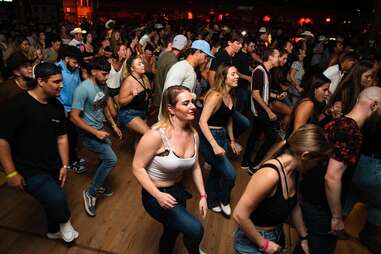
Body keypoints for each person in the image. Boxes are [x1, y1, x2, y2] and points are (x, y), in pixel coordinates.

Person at [0, 63, 79, 242]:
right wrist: (11, 172)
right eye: (56, 82)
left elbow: (62, 138)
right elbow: (2, 141)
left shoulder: (56, 106)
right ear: (41, 81)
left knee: (49, 199)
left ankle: (53, 231)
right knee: (57, 199)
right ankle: (65, 223)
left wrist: (65, 164)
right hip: (28, 169)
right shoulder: (18, 105)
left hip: (53, 164)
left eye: (62, 81)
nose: (62, 85)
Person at [300, 86, 381, 254]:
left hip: (310, 194)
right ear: (373, 106)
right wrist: (337, 217)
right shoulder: (352, 133)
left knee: (307, 246)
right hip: (320, 204)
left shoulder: (340, 122)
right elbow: (332, 177)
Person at [233, 124, 331, 254]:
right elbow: (239, 215)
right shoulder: (269, 175)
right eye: (318, 161)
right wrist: (264, 244)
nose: (317, 166)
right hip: (252, 241)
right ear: (305, 156)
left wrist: (303, 237)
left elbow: (294, 205)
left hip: (275, 234)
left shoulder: (295, 173)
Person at [133, 85, 207, 254]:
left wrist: (203, 195)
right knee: (196, 230)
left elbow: (195, 166)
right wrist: (158, 195)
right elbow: (137, 167)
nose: (193, 106)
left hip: (179, 190)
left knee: (172, 231)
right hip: (156, 194)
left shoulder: (194, 134)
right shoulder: (156, 135)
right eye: (186, 103)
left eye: (193, 102)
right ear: (171, 109)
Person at [70, 57, 122, 217]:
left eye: (108, 74)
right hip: (88, 133)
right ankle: (90, 192)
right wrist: (95, 132)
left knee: (104, 158)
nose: (107, 77)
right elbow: (74, 117)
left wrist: (114, 126)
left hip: (100, 128)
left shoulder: (103, 86)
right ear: (93, 72)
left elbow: (103, 107)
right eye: (104, 74)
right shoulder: (83, 89)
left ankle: (98, 184)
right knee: (111, 159)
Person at [199, 64, 240, 216]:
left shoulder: (231, 96)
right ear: (224, 77)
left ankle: (212, 201)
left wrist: (232, 140)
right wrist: (215, 145)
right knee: (231, 175)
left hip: (222, 136)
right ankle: (224, 200)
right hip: (211, 139)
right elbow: (202, 121)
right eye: (233, 74)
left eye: (236, 74)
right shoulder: (215, 96)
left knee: (217, 171)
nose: (237, 76)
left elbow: (228, 119)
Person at [241, 48, 280, 172]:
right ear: (270, 57)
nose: (279, 59)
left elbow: (263, 92)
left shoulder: (266, 71)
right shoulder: (259, 71)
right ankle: (255, 165)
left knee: (254, 136)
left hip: (261, 110)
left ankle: (245, 162)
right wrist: (269, 111)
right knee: (272, 137)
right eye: (277, 56)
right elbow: (255, 94)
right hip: (260, 111)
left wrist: (277, 96)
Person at [159, 40, 213, 119]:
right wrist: (193, 96)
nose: (206, 60)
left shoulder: (190, 69)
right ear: (197, 52)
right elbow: (169, 93)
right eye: (206, 56)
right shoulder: (181, 67)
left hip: (178, 119)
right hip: (171, 121)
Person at [56, 45, 86, 174]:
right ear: (66, 58)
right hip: (63, 110)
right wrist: (63, 108)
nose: (76, 66)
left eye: (78, 63)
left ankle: (74, 158)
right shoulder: (57, 70)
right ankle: (71, 162)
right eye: (74, 62)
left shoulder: (75, 69)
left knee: (74, 136)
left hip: (74, 108)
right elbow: (54, 93)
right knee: (67, 136)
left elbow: (78, 86)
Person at [119, 55, 152, 136]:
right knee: (149, 134)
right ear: (132, 68)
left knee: (140, 137)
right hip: (130, 113)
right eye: (139, 64)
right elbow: (120, 101)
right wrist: (132, 96)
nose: (143, 65)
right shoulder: (128, 81)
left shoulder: (144, 78)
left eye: (142, 63)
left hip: (142, 112)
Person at [154, 34, 188, 110]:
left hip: (159, 96)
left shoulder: (164, 54)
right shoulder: (173, 61)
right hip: (163, 101)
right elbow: (170, 85)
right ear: (183, 48)